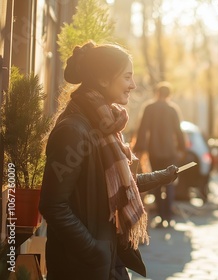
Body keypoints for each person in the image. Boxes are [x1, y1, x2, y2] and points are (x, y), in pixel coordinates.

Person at [39, 41, 179, 279]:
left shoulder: (104, 125)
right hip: (80, 267)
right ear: (104, 79)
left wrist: (162, 176)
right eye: (127, 77)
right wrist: (94, 250)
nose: (133, 85)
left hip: (106, 261)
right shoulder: (74, 130)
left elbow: (115, 185)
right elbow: (53, 205)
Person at [133, 81, 186, 228]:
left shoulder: (149, 108)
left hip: (154, 151)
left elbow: (143, 129)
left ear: (157, 93)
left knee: (156, 182)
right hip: (170, 152)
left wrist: (140, 148)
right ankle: (168, 217)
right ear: (169, 94)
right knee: (170, 182)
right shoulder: (173, 109)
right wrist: (182, 148)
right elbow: (178, 130)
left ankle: (161, 216)